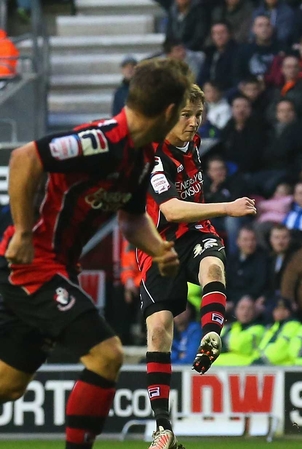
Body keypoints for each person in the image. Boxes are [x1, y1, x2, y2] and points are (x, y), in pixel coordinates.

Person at [0, 58, 191, 449]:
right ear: (169, 111)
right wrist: (21, 231)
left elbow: (132, 219)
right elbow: (25, 158)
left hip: (58, 269)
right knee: (107, 355)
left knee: (9, 385)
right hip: (32, 264)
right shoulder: (102, 141)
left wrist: (159, 250)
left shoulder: (139, 158)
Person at [137, 84, 259, 448]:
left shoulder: (193, 142)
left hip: (194, 233)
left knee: (212, 265)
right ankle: (163, 428)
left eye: (198, 115)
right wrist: (227, 206)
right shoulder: (156, 157)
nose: (193, 123)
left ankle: (211, 333)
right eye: (186, 116)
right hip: (158, 244)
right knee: (158, 330)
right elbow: (171, 210)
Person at [214, 296, 266, 366]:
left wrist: (225, 344)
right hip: (222, 367)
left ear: (254, 311)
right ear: (236, 310)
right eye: (242, 308)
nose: (245, 312)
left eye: (249, 309)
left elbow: (241, 345)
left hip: (248, 368)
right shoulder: (228, 328)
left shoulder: (259, 329)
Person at [257, 297, 302, 365]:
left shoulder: (294, 325)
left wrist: (262, 360)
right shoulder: (273, 327)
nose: (280, 312)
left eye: (284, 309)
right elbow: (261, 347)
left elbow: (280, 350)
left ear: (290, 311)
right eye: (277, 310)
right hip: (267, 365)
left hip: (284, 368)